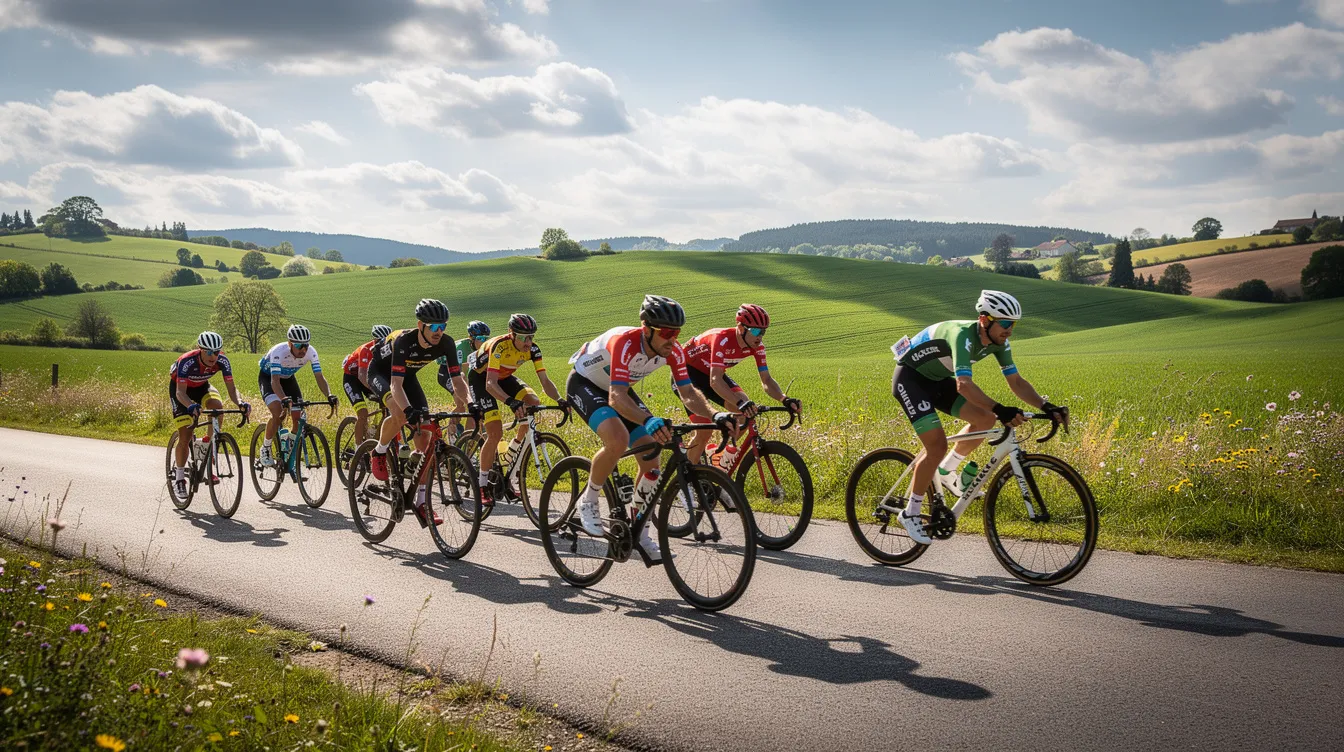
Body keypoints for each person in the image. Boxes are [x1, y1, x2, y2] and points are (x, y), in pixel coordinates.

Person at [891, 290, 1068, 544]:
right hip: (910, 379)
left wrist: (1045, 405)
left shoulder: (999, 342)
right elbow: (964, 385)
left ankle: (946, 471)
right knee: (937, 445)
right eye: (1005, 323)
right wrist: (1001, 408)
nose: (1009, 330)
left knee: (985, 420)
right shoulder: (963, 336)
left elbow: (1016, 382)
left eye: (1013, 324)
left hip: (937, 380)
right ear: (985, 320)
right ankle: (911, 513)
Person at [566, 295, 733, 563]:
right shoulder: (625, 342)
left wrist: (715, 414)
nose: (672, 339)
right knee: (618, 439)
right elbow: (616, 397)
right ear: (646, 328)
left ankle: (640, 531)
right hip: (586, 384)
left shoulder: (674, 350)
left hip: (619, 388)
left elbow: (688, 391)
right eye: (667, 332)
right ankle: (588, 499)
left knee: (651, 456)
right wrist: (647, 419)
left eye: (677, 333)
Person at [365, 299, 469, 526]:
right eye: (433, 327)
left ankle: (421, 502)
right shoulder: (404, 340)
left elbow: (458, 380)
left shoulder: (447, 344)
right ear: (420, 325)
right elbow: (395, 385)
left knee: (426, 439)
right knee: (400, 413)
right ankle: (379, 451)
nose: (438, 332)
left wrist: (470, 404)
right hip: (381, 373)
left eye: (443, 326)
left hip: (407, 376)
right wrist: (407, 410)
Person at [678, 304, 801, 467]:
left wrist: (784, 399)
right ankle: (687, 481)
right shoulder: (721, 338)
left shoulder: (757, 347)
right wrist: (739, 403)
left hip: (713, 374)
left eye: (763, 331)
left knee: (746, 413)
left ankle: (721, 459)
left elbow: (767, 380)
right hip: (688, 374)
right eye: (756, 331)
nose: (760, 337)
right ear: (741, 328)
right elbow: (715, 381)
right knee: (704, 430)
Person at [467, 313, 563, 505]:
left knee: (533, 403)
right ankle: (482, 484)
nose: (528, 342)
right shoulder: (499, 346)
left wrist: (561, 400)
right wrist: (510, 401)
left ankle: (511, 453)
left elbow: (544, 381)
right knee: (494, 433)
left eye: (531, 337)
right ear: (511, 334)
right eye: (523, 338)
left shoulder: (533, 350)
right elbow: (490, 384)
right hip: (482, 379)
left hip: (504, 377)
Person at [168, 331, 250, 500]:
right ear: (200, 350)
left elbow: (232, 389)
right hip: (181, 392)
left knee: (217, 408)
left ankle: (207, 445)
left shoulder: (222, 361)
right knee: (185, 434)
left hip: (202, 387)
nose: (214, 356)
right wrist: (191, 406)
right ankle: (180, 478)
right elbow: (180, 393)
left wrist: (240, 402)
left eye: (217, 352)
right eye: (209, 352)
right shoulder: (187, 361)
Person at [256, 324, 337, 468]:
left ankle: (290, 449)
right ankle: (266, 447)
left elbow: (319, 377)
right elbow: (275, 382)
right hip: (269, 378)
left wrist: (329, 395)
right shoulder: (278, 352)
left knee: (298, 416)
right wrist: (283, 399)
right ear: (290, 344)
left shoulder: (311, 352)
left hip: (288, 379)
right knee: (278, 412)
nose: (303, 349)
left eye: (306, 345)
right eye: (299, 345)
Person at [341, 324, 392, 448]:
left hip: (370, 378)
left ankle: (375, 441)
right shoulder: (366, 349)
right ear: (375, 340)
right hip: (353, 379)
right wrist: (378, 391)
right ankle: (359, 450)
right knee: (363, 413)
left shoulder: (389, 351)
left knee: (388, 411)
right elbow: (362, 376)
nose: (383, 345)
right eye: (381, 341)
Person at [438, 319, 490, 435]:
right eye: (480, 339)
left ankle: (467, 435)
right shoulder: (460, 348)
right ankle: (453, 430)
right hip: (447, 374)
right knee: (462, 403)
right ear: (471, 338)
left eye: (486, 339)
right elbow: (460, 375)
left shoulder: (484, 349)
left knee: (472, 403)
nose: (484, 342)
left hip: (461, 374)